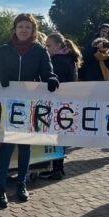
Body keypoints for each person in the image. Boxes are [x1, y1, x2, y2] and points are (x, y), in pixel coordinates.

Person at [0, 13, 59, 208]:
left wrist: (51, 78)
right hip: (8, 104)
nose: (23, 30)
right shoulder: (5, 50)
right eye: (20, 26)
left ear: (33, 31)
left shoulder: (39, 51)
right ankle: (0, 186)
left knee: (25, 146)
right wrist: (0, 77)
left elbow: (47, 71)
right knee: (6, 146)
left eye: (27, 27)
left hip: (29, 104)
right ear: (15, 29)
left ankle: (21, 183)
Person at [42, 32, 81, 179]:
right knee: (60, 135)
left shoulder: (58, 61)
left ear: (59, 45)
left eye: (49, 45)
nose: (46, 48)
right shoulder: (69, 58)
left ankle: (55, 169)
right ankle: (57, 167)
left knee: (56, 136)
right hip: (66, 103)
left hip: (59, 103)